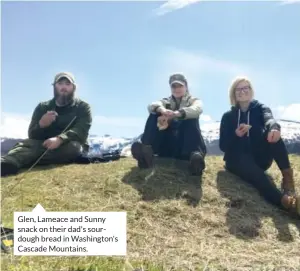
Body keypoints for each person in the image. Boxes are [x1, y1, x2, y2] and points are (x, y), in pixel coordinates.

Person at [219, 76, 299, 217]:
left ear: (251, 91)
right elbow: (223, 146)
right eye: (238, 89)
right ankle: (285, 202)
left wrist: (274, 128)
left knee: (273, 136)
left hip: (259, 158)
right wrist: (236, 135)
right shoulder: (227, 116)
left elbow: (269, 119)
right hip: (236, 161)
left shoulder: (261, 108)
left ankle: (288, 179)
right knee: (257, 176)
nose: (242, 91)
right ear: (233, 93)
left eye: (246, 88)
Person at [1, 72, 92, 177]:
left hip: (68, 146)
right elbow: (32, 135)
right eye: (60, 83)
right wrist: (41, 124)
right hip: (44, 145)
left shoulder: (83, 107)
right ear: (54, 86)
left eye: (68, 84)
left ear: (74, 87)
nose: (64, 87)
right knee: (25, 144)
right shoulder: (43, 107)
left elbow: (81, 130)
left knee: (75, 148)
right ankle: (6, 163)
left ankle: (21, 160)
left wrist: (60, 139)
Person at [131, 74, 207, 176]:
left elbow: (197, 109)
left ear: (186, 87)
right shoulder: (166, 101)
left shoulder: (193, 101)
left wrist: (177, 114)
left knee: (191, 118)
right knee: (154, 114)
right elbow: (151, 105)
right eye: (174, 86)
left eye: (180, 86)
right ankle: (146, 151)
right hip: (168, 144)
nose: (177, 89)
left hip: (186, 146)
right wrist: (162, 111)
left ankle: (195, 158)